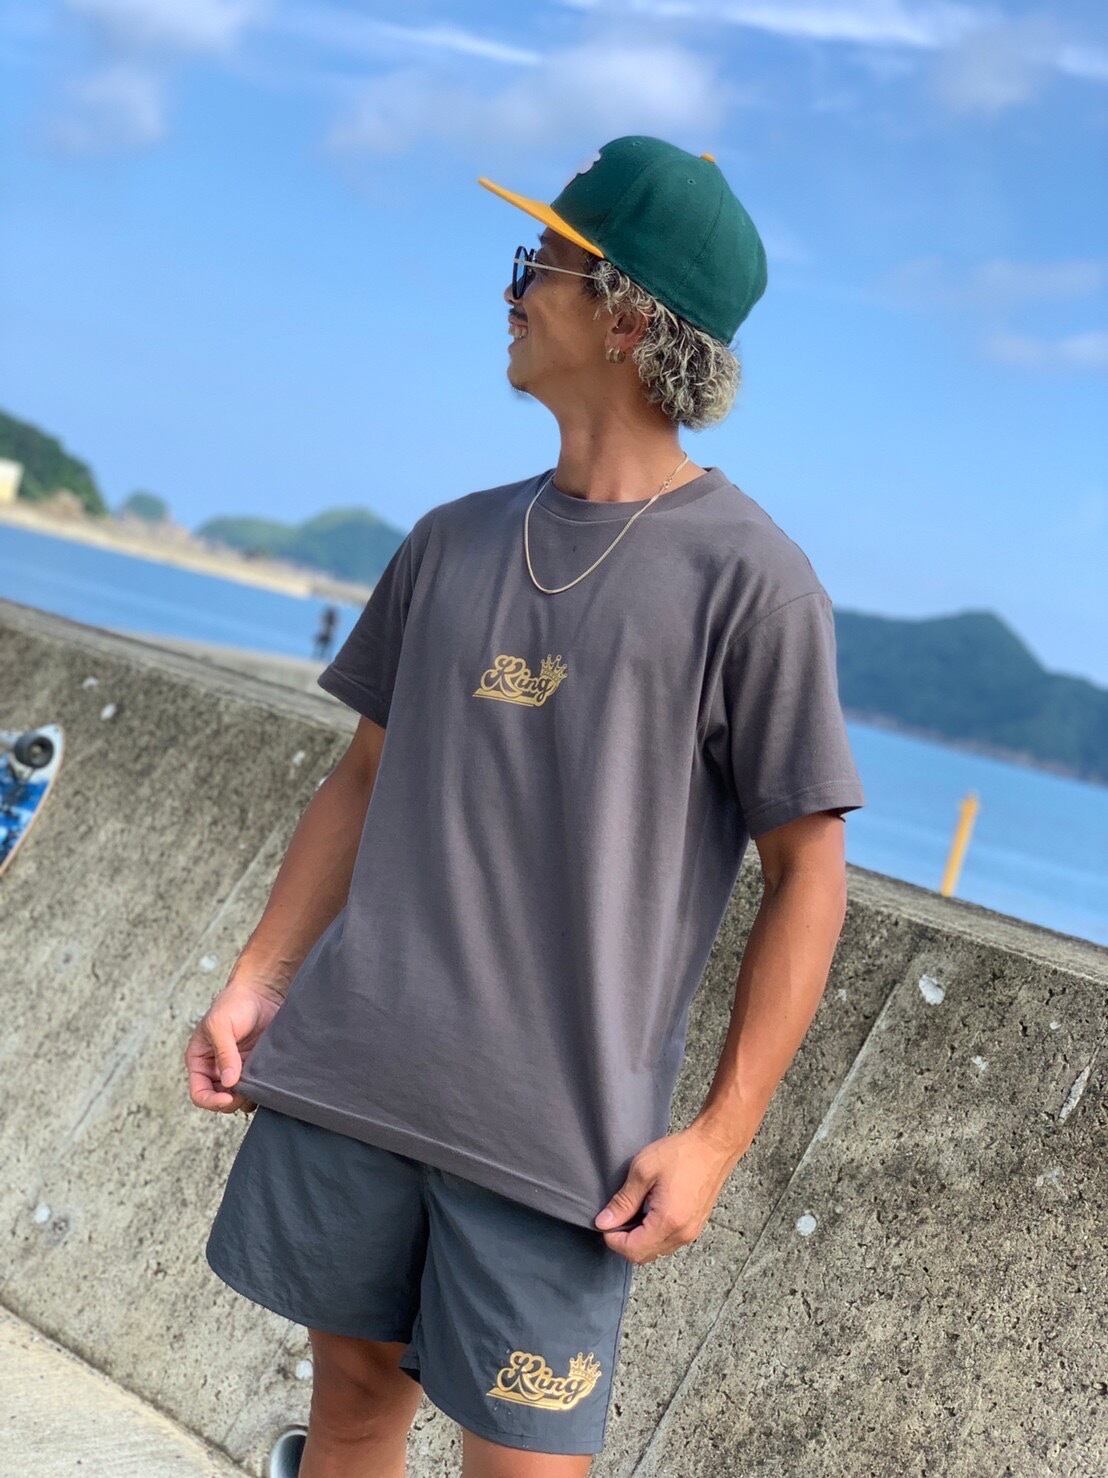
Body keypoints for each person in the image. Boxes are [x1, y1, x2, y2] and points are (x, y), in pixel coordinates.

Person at [186, 135, 865, 1477]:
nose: (511, 293)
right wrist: (260, 977)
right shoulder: (451, 537)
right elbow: (362, 778)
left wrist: (718, 1139)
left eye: (538, 265)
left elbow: (811, 873)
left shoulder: (754, 583)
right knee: (350, 1404)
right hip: (359, 1072)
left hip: (559, 1142)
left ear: (626, 318)